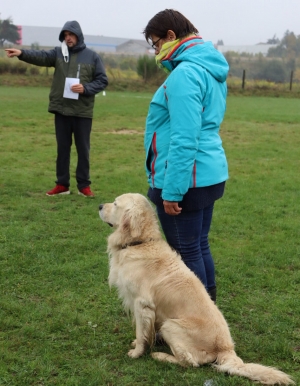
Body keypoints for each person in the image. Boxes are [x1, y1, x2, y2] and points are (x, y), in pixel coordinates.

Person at [143, 9, 229, 302]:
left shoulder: (185, 74)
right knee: (198, 245)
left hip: (188, 179)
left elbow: (184, 136)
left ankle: (198, 324)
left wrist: (172, 191)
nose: (156, 52)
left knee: (187, 250)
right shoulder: (209, 68)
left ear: (171, 36)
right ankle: (210, 315)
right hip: (208, 172)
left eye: (156, 44)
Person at [5, 20, 108, 197]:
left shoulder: (92, 57)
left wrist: (85, 88)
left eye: (71, 35)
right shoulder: (59, 53)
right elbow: (40, 56)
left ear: (78, 35)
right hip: (61, 110)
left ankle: (84, 185)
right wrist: (21, 53)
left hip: (82, 112)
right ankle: (62, 185)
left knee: (83, 150)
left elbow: (102, 80)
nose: (68, 38)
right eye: (65, 35)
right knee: (62, 149)